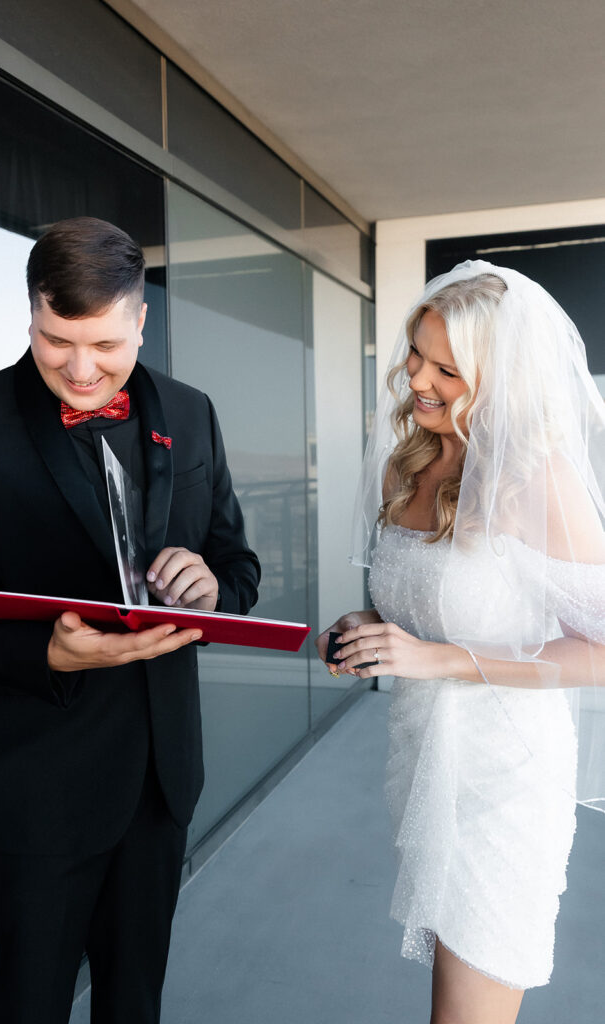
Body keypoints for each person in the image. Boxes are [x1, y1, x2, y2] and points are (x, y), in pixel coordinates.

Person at [0, 217, 260, 1024]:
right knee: (24, 1005)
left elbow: (239, 567)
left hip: (161, 778)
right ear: (32, 315)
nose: (80, 369)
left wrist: (212, 585)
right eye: (53, 340)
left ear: (141, 319)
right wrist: (49, 653)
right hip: (38, 783)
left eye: (106, 345)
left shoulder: (192, 409)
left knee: (134, 1002)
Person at [316, 261, 604, 1024]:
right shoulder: (402, 467)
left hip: (507, 776)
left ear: (499, 378)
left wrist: (439, 659)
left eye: (448, 368)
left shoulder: (534, 482)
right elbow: (415, 605)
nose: (418, 379)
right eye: (416, 354)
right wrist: (367, 633)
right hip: (423, 760)